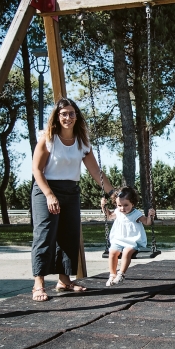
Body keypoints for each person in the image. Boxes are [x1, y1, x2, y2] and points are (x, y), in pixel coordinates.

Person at [31, 98, 115, 302]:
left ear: (76, 116)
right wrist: (50, 195)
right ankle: (38, 284)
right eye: (63, 114)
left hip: (71, 190)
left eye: (71, 113)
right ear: (57, 117)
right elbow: (37, 170)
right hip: (46, 189)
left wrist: (113, 193)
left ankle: (64, 280)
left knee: (70, 235)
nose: (67, 117)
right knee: (45, 235)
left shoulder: (82, 141)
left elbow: (95, 171)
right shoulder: (48, 138)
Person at [101, 186, 156, 286]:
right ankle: (112, 275)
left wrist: (150, 216)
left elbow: (147, 223)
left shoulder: (136, 214)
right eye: (119, 205)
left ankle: (121, 274)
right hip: (118, 240)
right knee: (112, 252)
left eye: (126, 205)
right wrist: (104, 207)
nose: (122, 208)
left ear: (133, 203)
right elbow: (109, 216)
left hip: (132, 241)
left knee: (126, 252)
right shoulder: (118, 212)